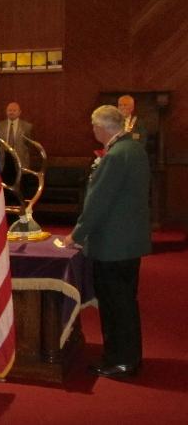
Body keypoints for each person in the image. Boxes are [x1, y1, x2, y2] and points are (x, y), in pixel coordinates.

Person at [64, 105, 150, 379]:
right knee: (126, 301)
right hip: (129, 241)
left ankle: (120, 360)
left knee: (115, 304)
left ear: (102, 127)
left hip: (113, 244)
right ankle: (130, 356)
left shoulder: (115, 155)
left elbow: (98, 202)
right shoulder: (134, 148)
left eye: (94, 126)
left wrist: (76, 235)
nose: (93, 130)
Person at [0, 102, 34, 169]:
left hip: (20, 159)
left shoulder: (27, 126)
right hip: (3, 159)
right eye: (9, 110)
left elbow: (30, 145)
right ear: (6, 112)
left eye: (14, 110)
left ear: (19, 112)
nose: (11, 112)